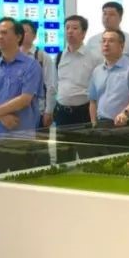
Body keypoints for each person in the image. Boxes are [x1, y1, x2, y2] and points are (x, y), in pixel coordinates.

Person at [0, 18, 44, 255]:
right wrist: (0, 116)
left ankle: (21, 238)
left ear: (18, 36)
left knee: (20, 190)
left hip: (21, 138)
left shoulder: (31, 65)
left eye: (4, 33)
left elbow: (25, 98)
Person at [88, 29, 129, 156]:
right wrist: (94, 124)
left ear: (122, 46)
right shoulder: (97, 71)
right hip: (102, 125)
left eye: (111, 41)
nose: (106, 44)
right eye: (104, 41)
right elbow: (93, 100)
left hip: (125, 125)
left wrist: (125, 114)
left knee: (122, 161)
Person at [52, 15, 101, 160]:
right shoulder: (59, 56)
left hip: (84, 113)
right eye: (67, 28)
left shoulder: (94, 57)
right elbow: (55, 84)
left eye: (74, 28)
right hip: (62, 114)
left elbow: (99, 86)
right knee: (63, 158)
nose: (70, 31)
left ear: (84, 33)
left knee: (88, 156)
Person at [20, 20, 57, 131]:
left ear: (34, 35)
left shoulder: (42, 56)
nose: (21, 34)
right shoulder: (11, 56)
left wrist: (48, 111)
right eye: (19, 31)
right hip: (15, 112)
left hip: (37, 111)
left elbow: (51, 85)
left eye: (25, 31)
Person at [84, 1, 129, 66]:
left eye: (111, 15)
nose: (107, 18)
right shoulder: (92, 41)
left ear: (120, 18)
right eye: (104, 14)